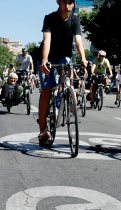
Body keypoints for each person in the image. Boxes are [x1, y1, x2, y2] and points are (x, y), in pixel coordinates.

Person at [37, 0, 88, 141]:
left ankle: (68, 93)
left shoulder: (75, 19)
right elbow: (47, 40)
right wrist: (44, 60)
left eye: (70, 2)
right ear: (58, 2)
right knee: (47, 90)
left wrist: (83, 59)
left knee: (68, 63)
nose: (67, 6)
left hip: (63, 57)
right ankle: (43, 131)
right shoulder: (50, 18)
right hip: (47, 57)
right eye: (64, 2)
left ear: (74, 3)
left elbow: (78, 41)